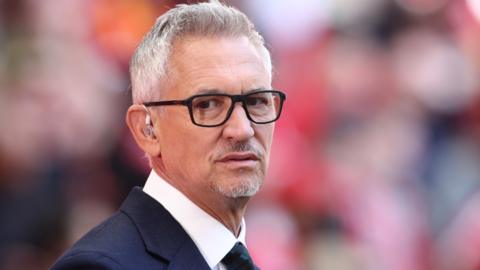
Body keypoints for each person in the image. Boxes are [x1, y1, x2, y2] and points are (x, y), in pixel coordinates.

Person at [51, 1, 286, 269]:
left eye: (257, 101)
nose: (242, 129)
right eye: (207, 105)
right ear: (147, 129)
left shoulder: (234, 257)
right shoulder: (100, 266)